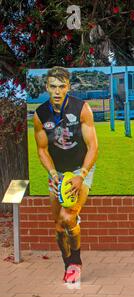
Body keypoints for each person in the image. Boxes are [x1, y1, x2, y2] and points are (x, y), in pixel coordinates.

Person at [33, 66, 98, 284]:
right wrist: (52, 173)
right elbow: (42, 149)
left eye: (62, 86)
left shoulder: (82, 108)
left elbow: (93, 147)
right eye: (53, 86)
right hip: (57, 173)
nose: (57, 91)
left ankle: (75, 263)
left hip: (80, 169)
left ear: (68, 86)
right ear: (46, 87)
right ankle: (66, 262)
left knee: (67, 217)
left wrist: (82, 174)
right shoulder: (40, 115)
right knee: (59, 225)